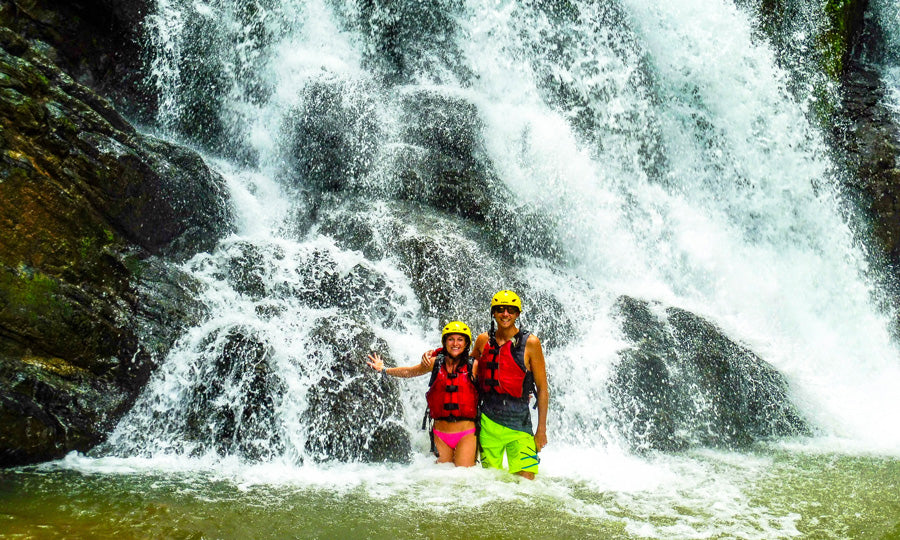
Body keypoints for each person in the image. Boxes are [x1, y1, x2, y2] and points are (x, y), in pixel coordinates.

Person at [367, 321, 478, 467]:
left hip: (467, 433)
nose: (455, 343)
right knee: (445, 480)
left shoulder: (474, 366)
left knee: (463, 477)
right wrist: (384, 369)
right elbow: (409, 372)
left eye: (460, 340)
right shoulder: (435, 363)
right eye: (451, 339)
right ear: (445, 342)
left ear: (466, 343)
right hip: (440, 434)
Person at [471, 290, 549, 479]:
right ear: (494, 313)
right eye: (500, 310)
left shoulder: (531, 343)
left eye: (511, 310)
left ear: (517, 314)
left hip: (520, 423)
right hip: (489, 422)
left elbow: (543, 389)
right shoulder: (483, 340)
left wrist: (541, 431)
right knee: (491, 485)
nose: (505, 314)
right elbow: (463, 367)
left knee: (527, 484)